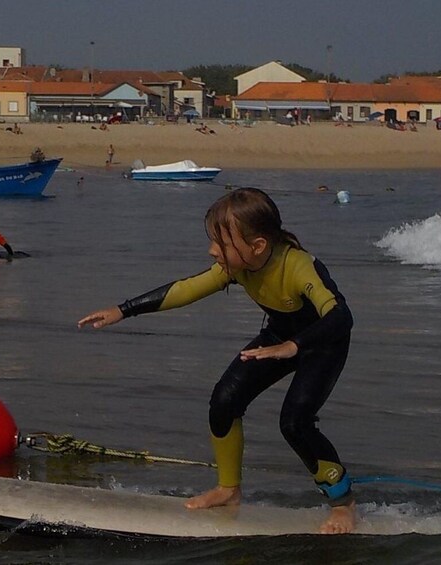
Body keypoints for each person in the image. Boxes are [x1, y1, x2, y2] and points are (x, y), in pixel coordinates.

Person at [77, 187, 356, 534]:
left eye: (221, 243)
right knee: (224, 400)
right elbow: (186, 289)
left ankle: (342, 504)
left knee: (295, 423)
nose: (212, 251)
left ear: (257, 246)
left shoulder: (298, 266)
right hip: (278, 337)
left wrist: (295, 346)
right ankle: (228, 489)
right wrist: (122, 310)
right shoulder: (238, 266)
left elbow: (341, 317)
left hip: (323, 344)